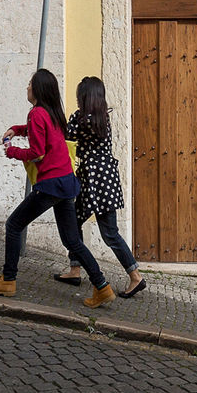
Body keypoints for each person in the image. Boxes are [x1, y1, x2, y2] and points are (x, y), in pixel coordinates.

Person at [0, 69, 115, 308]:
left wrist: (12, 151)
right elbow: (46, 134)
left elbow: (37, 152)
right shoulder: (53, 113)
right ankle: (102, 286)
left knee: (13, 225)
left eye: (30, 84)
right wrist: (18, 129)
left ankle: (8, 281)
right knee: (72, 241)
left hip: (51, 184)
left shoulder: (36, 113)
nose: (27, 87)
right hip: (66, 183)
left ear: (38, 89)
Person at [54, 76, 146, 297]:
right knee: (76, 223)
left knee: (108, 233)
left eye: (79, 96)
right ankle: (75, 269)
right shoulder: (101, 118)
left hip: (94, 181)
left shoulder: (83, 121)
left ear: (85, 97)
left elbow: (67, 135)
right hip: (100, 180)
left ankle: (135, 276)